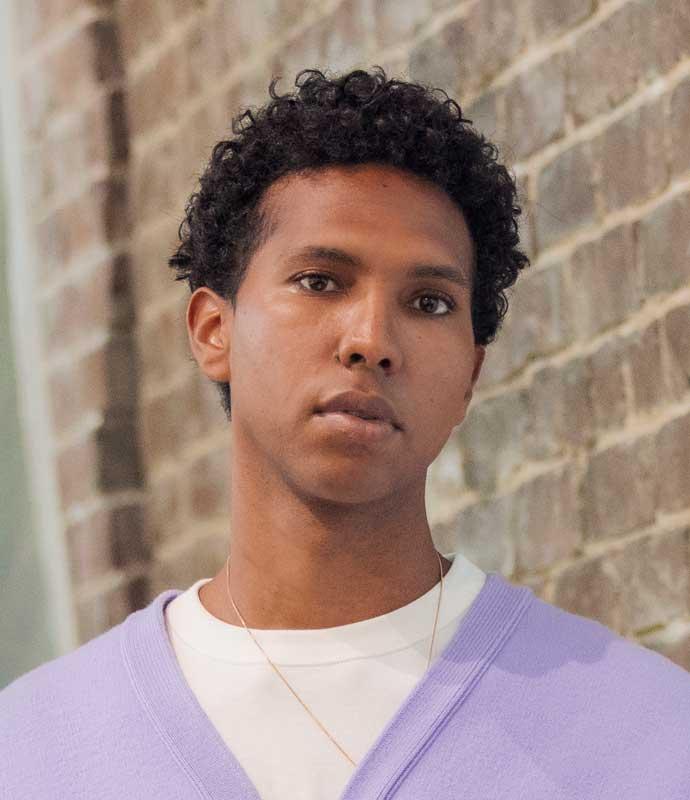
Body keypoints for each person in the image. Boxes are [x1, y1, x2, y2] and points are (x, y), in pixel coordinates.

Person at [1, 66, 689, 800]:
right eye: (320, 282)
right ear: (213, 331)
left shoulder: (645, 733)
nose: (371, 340)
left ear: (470, 374)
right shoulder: (32, 751)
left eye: (429, 302)